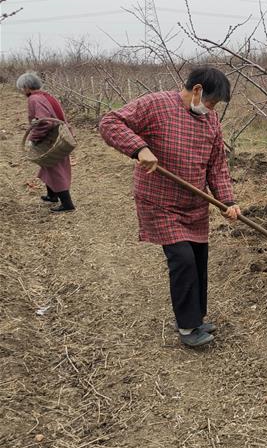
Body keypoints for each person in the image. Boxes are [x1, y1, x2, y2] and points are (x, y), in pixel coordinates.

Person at [99, 66, 240, 347]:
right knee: (183, 260)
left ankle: (194, 317)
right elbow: (110, 122)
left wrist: (228, 201)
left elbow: (217, 166)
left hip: (194, 204)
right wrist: (139, 148)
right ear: (197, 90)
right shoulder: (156, 104)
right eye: (211, 103)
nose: (212, 109)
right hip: (159, 201)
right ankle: (188, 329)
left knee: (198, 259)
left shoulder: (211, 122)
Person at [17, 72, 76, 213]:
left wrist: (34, 138)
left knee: (55, 169)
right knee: (47, 166)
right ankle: (52, 195)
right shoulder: (46, 95)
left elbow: (44, 122)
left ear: (26, 87)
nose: (22, 91)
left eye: (22, 88)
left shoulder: (34, 99)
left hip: (51, 140)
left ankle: (67, 204)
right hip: (61, 136)